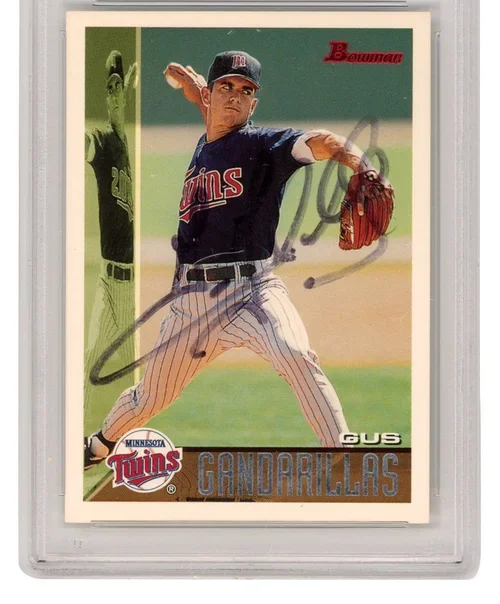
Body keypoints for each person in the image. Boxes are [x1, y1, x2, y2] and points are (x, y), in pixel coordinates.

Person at [84, 50, 375, 467]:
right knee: (151, 396)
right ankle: (99, 445)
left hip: (252, 292)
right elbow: (212, 115)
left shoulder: (263, 145)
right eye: (227, 86)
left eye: (246, 90)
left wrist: (362, 166)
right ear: (211, 94)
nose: (236, 95)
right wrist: (194, 90)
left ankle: (343, 457)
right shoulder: (208, 139)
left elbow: (324, 141)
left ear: (254, 104)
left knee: (294, 354)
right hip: (190, 304)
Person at [84, 50, 137, 429]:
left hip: (131, 285)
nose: (116, 97)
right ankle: (77, 435)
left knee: (137, 371)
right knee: (91, 356)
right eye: (112, 90)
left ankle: (134, 435)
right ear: (107, 98)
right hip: (109, 280)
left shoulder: (122, 140)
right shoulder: (102, 140)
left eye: (121, 90)